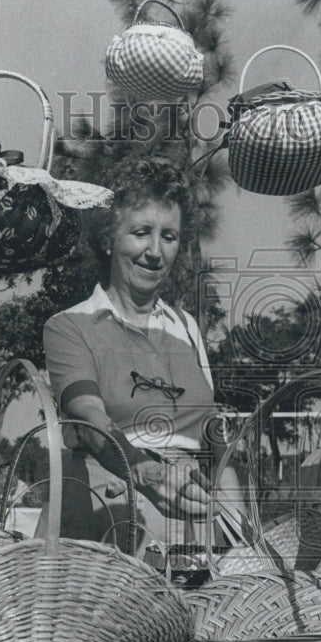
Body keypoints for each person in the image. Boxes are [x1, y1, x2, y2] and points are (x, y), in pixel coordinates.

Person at [41, 158, 240, 556]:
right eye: (141, 233)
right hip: (105, 512)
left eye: (169, 236)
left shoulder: (186, 328)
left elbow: (217, 442)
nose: (155, 251)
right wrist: (144, 471)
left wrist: (238, 531)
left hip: (188, 519)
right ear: (107, 239)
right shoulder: (69, 326)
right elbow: (91, 420)